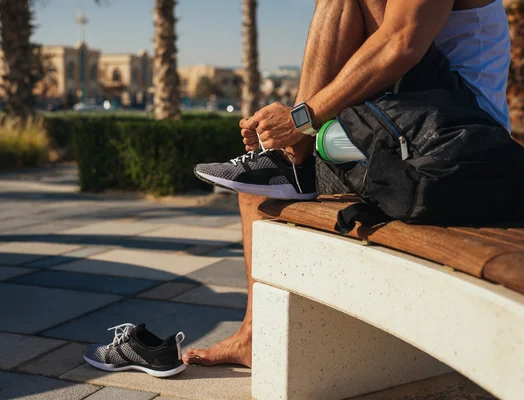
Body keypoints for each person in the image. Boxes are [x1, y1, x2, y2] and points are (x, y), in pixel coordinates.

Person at [186, 0, 511, 368]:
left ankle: (297, 150)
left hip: (459, 136)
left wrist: (299, 120)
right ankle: (252, 335)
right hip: (407, 122)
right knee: (259, 190)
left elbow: (402, 41)